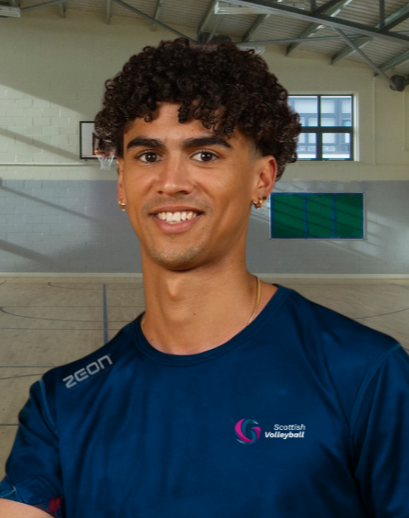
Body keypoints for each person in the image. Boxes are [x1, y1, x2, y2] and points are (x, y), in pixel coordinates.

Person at [1, 38, 409, 518]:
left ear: (262, 179)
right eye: (148, 156)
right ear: (122, 183)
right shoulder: (62, 402)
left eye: (206, 155)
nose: (171, 182)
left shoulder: (364, 373)